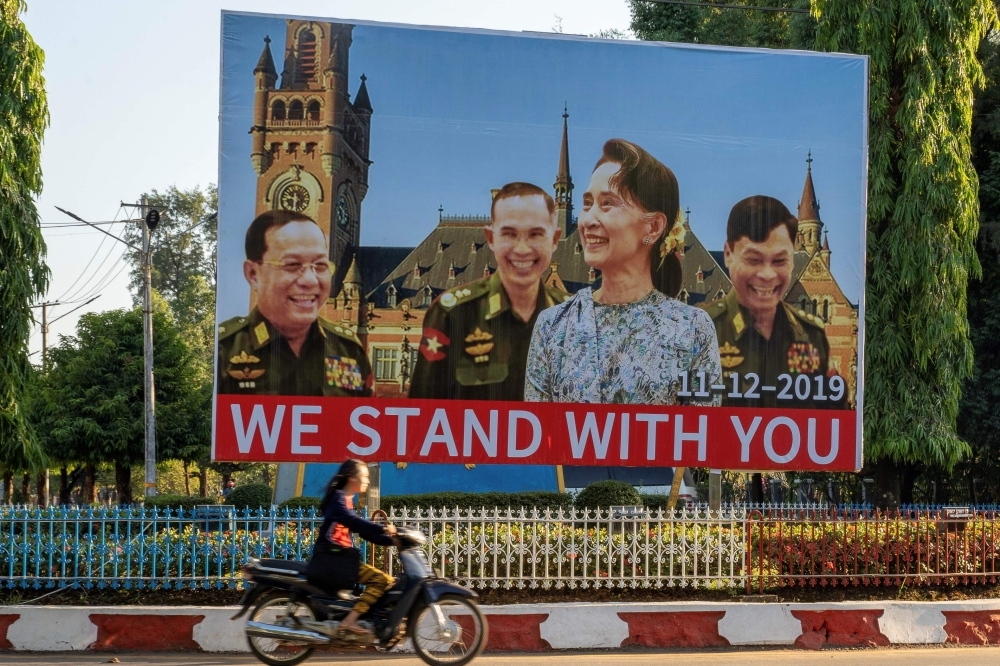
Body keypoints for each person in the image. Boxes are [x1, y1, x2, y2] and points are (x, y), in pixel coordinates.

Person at [525, 138, 721, 405]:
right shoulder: (552, 326)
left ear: (653, 227)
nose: (588, 220)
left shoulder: (693, 330)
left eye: (607, 204)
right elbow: (537, 438)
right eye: (587, 202)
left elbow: (700, 440)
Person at [409, 182, 570, 401]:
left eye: (535, 234)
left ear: (554, 240)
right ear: (491, 238)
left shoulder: (577, 318)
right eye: (509, 234)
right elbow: (421, 416)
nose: (522, 249)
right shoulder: (452, 314)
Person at [700, 195, 840, 409]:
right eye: (753, 259)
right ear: (728, 255)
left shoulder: (812, 334)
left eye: (779, 260)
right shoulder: (700, 328)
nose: (767, 274)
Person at [217, 210, 372, 397]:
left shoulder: (348, 349)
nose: (310, 280)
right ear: (253, 274)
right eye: (292, 265)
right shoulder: (223, 349)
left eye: (320, 265)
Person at [307, 459, 397, 638]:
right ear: (352, 478)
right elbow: (353, 521)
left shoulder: (345, 501)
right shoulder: (338, 499)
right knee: (381, 580)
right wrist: (383, 527)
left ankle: (361, 617)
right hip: (334, 559)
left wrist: (393, 540)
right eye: (364, 476)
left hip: (341, 558)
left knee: (387, 580)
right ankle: (350, 620)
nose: (368, 480)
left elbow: (361, 531)